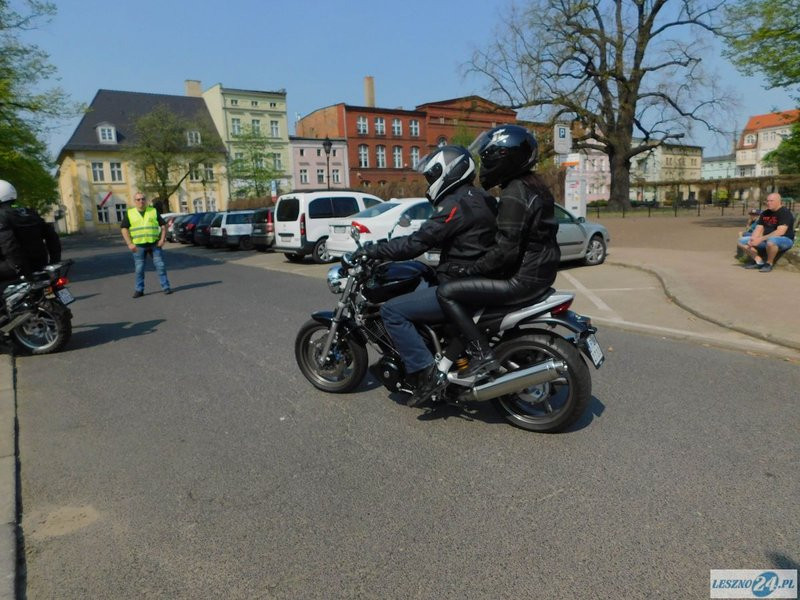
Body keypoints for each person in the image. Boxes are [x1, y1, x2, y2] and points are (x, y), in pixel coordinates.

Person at [355, 145, 498, 406]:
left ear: (450, 171)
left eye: (432, 176)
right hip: (477, 279)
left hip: (461, 287)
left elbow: (416, 243)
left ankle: (424, 373)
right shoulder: (481, 198)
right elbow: (460, 239)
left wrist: (373, 250)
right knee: (424, 280)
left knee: (392, 311)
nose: (430, 182)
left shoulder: (455, 204)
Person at [436, 125, 560, 377]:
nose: (485, 164)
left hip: (522, 280)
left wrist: (470, 269)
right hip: (540, 274)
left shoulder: (514, 192)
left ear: (506, 157)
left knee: (447, 292)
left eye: (488, 158)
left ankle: (481, 353)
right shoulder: (534, 186)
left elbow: (505, 251)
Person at [0, 179, 62, 281]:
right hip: (41, 263)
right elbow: (52, 236)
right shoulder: (30, 212)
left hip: (17, 267)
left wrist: (20, 269)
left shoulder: (2, 216)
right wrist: (54, 262)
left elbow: (9, 245)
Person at [120, 192, 172, 296]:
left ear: (146, 200)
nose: (141, 201)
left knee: (160, 266)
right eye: (138, 199)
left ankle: (166, 287)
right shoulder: (130, 213)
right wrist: (129, 243)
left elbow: (163, 225)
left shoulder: (153, 211)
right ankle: (139, 290)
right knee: (139, 269)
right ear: (135, 201)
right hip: (139, 246)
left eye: (143, 199)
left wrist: (162, 239)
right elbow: (124, 228)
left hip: (154, 244)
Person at [737, 193, 795, 273]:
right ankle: (759, 261)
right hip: (766, 239)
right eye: (767, 201)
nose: (768, 203)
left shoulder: (785, 212)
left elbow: (780, 232)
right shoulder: (765, 213)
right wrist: (753, 239)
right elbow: (758, 228)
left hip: (784, 240)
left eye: (771, 201)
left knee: (771, 241)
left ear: (779, 201)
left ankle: (769, 263)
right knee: (741, 241)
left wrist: (760, 239)